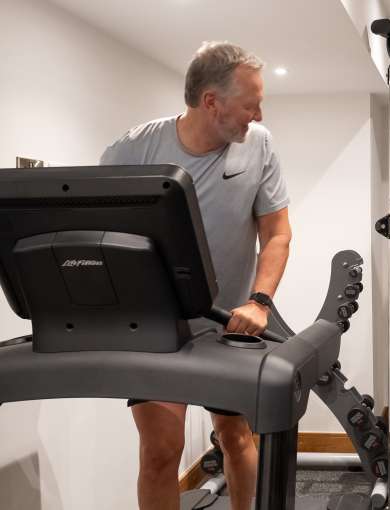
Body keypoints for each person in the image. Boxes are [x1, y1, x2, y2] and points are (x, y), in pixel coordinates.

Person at [100, 41, 291, 510]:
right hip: (156, 328)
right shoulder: (134, 149)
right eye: (251, 104)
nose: (258, 114)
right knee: (160, 451)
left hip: (229, 323)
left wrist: (259, 302)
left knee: (234, 435)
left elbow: (277, 233)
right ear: (212, 102)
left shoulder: (259, 146)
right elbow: (97, 231)